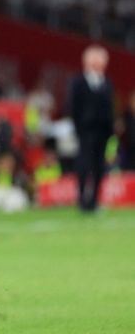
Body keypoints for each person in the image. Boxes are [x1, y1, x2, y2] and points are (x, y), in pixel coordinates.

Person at [66, 45, 115, 212]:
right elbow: (73, 106)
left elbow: (110, 107)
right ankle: (82, 200)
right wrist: (78, 127)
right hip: (85, 130)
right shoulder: (78, 81)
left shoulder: (106, 81)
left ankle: (94, 200)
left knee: (99, 166)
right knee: (84, 164)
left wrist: (110, 129)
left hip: (103, 131)